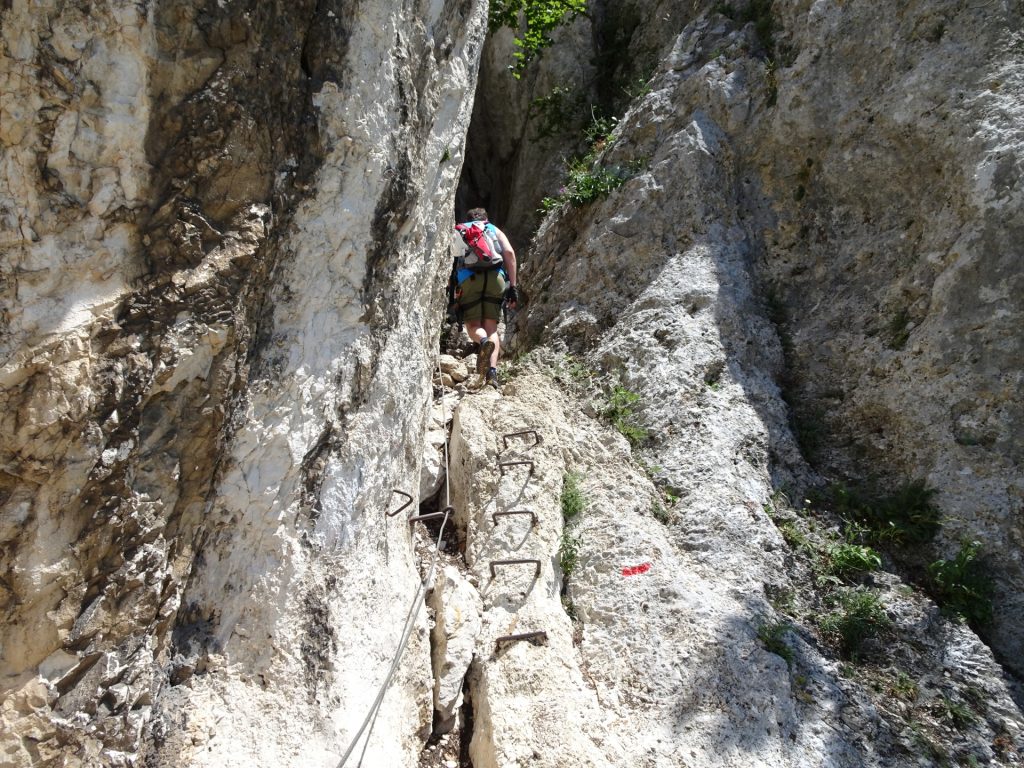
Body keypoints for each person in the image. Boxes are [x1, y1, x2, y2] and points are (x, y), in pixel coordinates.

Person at [452, 207, 518, 388]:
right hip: (495, 277)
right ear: (485, 219)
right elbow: (509, 254)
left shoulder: (460, 229)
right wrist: (513, 286)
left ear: (468, 219)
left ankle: (482, 343)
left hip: (469, 278)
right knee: (492, 328)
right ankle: (492, 374)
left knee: (473, 326)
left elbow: (452, 259)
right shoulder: (493, 229)